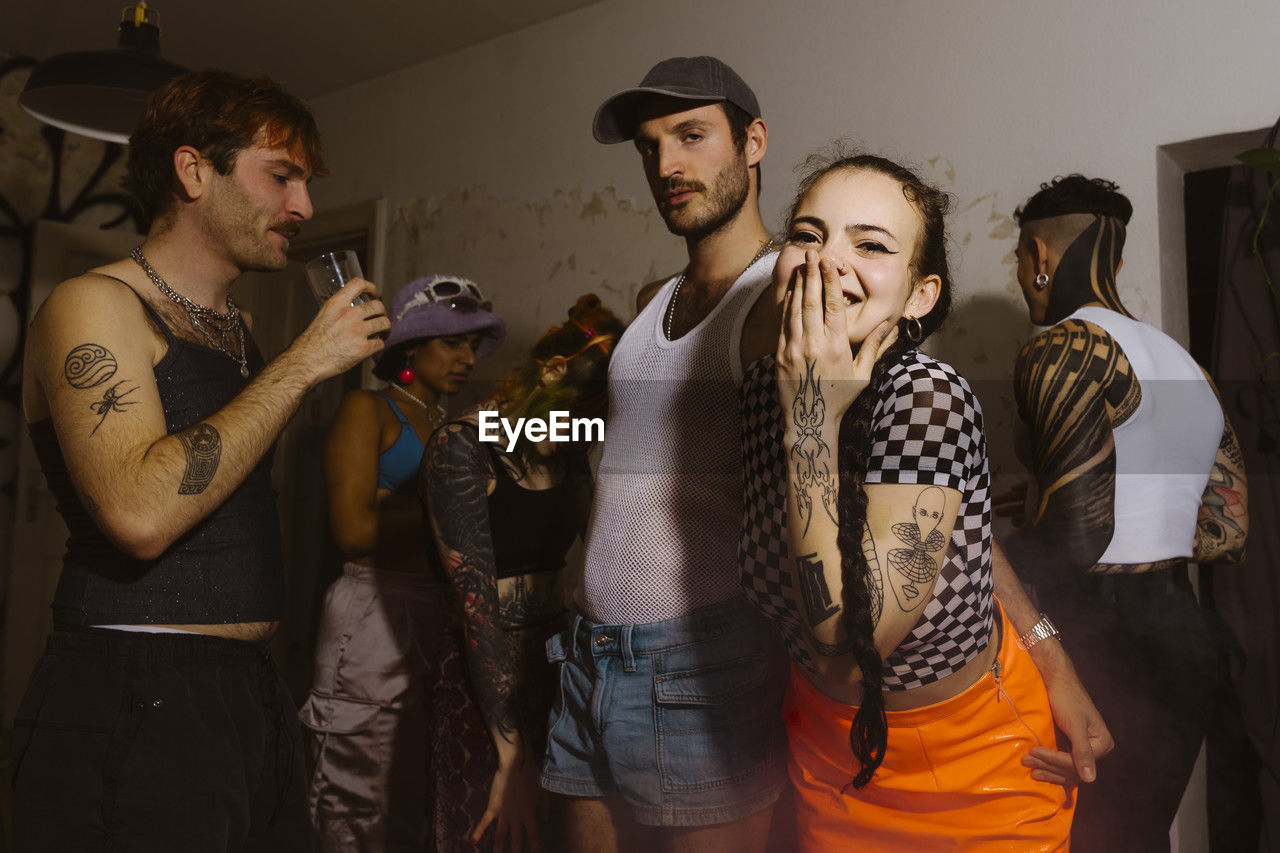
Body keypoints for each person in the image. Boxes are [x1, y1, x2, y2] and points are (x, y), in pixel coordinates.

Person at [12, 69, 388, 851]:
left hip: (245, 690)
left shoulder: (237, 326)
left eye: (307, 184)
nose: (303, 208)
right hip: (133, 684)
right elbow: (139, 514)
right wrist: (304, 362)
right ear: (193, 171)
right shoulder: (93, 304)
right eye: (281, 176)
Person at [739, 151, 1077, 851]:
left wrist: (810, 419)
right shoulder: (757, 393)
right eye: (807, 234)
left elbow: (845, 639)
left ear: (920, 296)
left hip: (973, 759)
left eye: (870, 244)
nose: (828, 260)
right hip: (829, 753)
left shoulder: (928, 398)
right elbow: (967, 541)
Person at [540, 56, 793, 852]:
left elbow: (890, 476)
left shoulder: (785, 295)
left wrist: (1043, 644)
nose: (666, 167)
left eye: (690, 136)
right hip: (584, 655)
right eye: (650, 147)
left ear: (753, 141)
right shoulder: (656, 300)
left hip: (700, 664)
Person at [999, 174, 1249, 852]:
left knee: (1078, 836)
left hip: (1099, 636)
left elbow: (1076, 540)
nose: (1023, 275)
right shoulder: (1185, 365)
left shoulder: (1061, 347)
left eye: (1021, 258)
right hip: (1181, 631)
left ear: (1041, 253)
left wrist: (968, 547)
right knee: (1135, 834)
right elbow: (1225, 528)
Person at [300, 274, 506, 851]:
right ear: (410, 349)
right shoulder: (368, 410)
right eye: (452, 343)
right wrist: (453, 505)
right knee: (355, 802)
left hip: (435, 616)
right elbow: (353, 530)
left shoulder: (452, 425)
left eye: (473, 344)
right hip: (371, 614)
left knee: (414, 796)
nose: (467, 358)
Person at [423, 294, 624, 852]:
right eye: (589, 408)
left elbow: (607, 549)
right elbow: (476, 608)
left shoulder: (569, 446)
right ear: (555, 373)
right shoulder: (462, 445)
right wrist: (511, 754)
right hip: (483, 675)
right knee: (494, 829)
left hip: (560, 664)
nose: (593, 424)